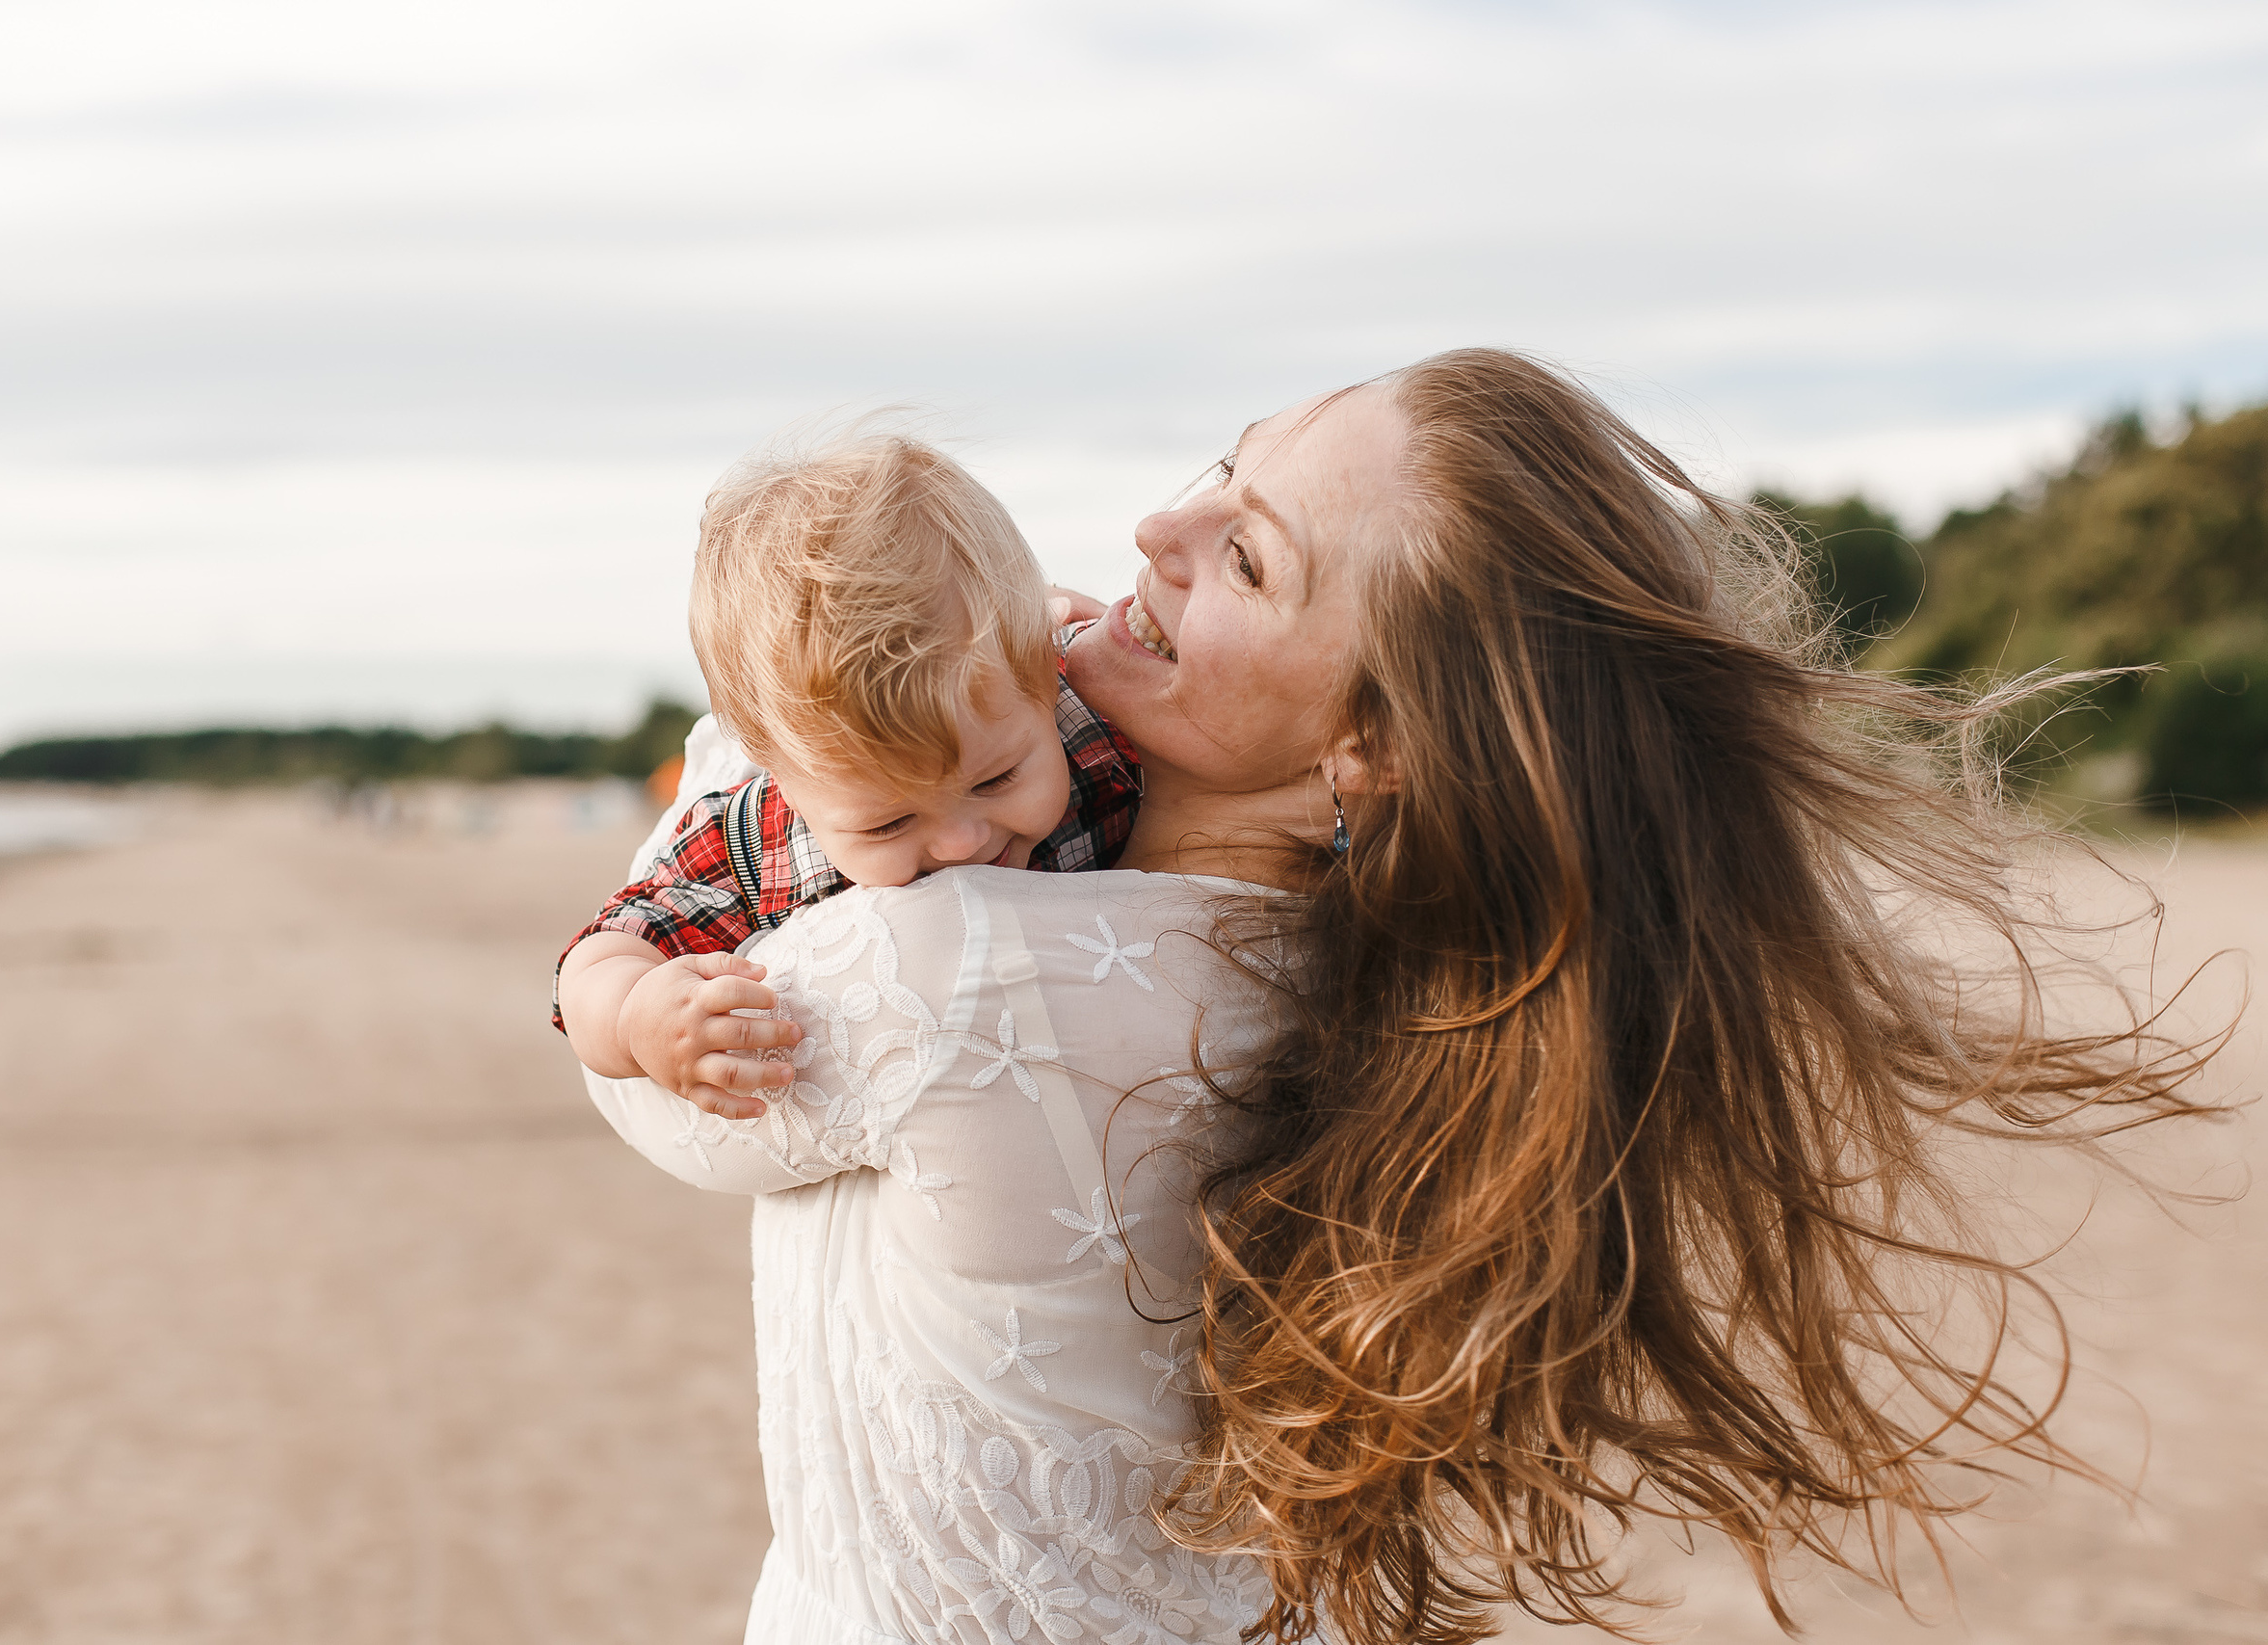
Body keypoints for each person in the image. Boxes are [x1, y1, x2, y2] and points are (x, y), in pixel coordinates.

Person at [567, 350, 2213, 1645]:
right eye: (1224, 466)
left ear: (1374, 749)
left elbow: (649, 1092)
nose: (1157, 532)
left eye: (1248, 556)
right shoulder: (1424, 982)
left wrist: (779, 735)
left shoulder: (940, 966)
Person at [556, 433, 1142, 1109]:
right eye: (890, 819)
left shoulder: (1088, 714)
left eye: (996, 780)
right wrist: (637, 1017)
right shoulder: (758, 843)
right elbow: (596, 957)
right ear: (784, 775)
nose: (961, 842)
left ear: (1045, 674)